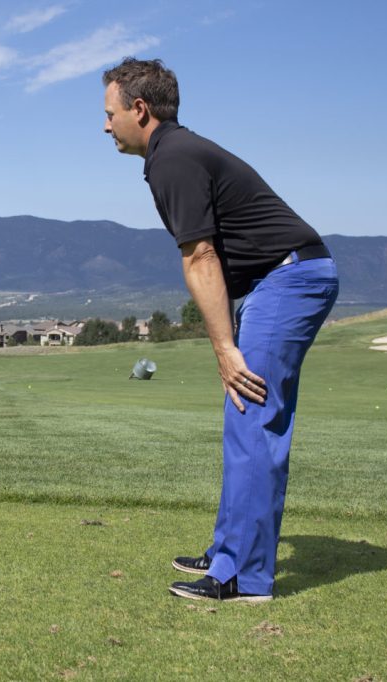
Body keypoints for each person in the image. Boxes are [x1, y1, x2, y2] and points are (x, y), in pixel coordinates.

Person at [102, 58, 339, 601]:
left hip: (290, 279)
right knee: (243, 416)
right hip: (279, 280)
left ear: (139, 110)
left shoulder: (173, 159)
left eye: (109, 113)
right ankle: (228, 547)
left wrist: (225, 348)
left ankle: (243, 576)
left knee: (252, 416)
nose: (105, 125)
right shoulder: (174, 153)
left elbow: (201, 255)